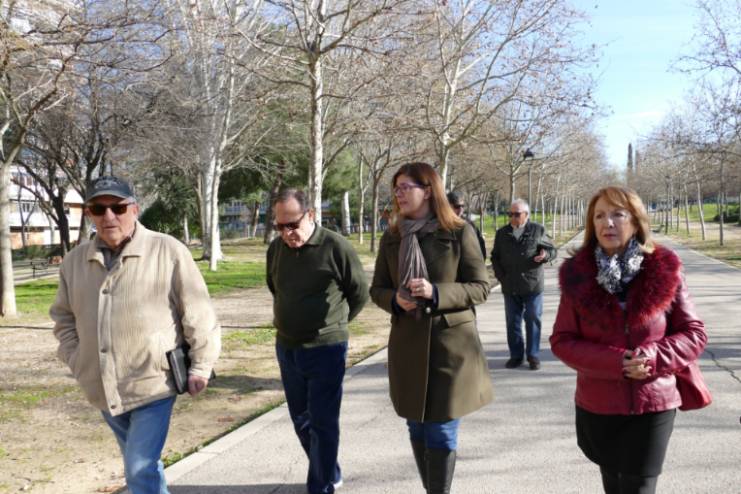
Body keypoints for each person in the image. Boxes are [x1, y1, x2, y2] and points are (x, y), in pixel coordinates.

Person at [50, 176, 221, 494]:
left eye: (117, 207)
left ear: (134, 209)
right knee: (143, 466)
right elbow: (63, 317)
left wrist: (201, 365)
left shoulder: (167, 250)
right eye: (98, 209)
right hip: (102, 386)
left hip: (153, 382)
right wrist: (77, 358)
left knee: (139, 468)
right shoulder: (74, 262)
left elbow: (198, 312)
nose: (108, 216)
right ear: (89, 213)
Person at [550, 186, 707, 494]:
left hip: (653, 403)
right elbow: (562, 340)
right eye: (599, 216)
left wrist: (652, 357)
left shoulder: (665, 268)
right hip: (599, 405)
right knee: (614, 485)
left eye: (617, 214)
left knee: (638, 486)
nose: (607, 223)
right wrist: (617, 362)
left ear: (636, 221)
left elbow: (694, 333)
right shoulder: (577, 276)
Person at [370, 162, 492, 494]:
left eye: (405, 187)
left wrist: (436, 292)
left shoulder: (458, 231)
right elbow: (376, 289)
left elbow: (480, 287)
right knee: (416, 426)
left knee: (440, 429)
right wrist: (395, 299)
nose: (399, 194)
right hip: (407, 344)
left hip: (450, 348)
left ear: (427, 190)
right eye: (396, 188)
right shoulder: (393, 236)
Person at [266, 188, 369, 494]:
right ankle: (329, 470)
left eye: (292, 225)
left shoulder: (336, 247)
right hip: (287, 347)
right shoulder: (276, 249)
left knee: (323, 422)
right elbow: (275, 287)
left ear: (310, 215)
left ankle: (321, 486)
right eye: (280, 226)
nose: (286, 233)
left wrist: (334, 324)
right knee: (301, 419)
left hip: (326, 349)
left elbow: (359, 293)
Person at [490, 199, 556, 370]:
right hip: (510, 285)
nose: (512, 217)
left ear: (526, 215)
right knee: (513, 321)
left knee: (533, 317)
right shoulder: (502, 233)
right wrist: (501, 277)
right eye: (510, 214)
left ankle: (533, 355)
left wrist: (545, 256)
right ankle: (516, 356)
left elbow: (552, 250)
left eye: (517, 214)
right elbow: (495, 257)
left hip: (533, 284)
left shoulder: (538, 230)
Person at [446, 191, 487, 259]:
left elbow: (481, 247)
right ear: (447, 206)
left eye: (462, 206)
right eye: (457, 206)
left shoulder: (470, 225)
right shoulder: (439, 225)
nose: (460, 210)